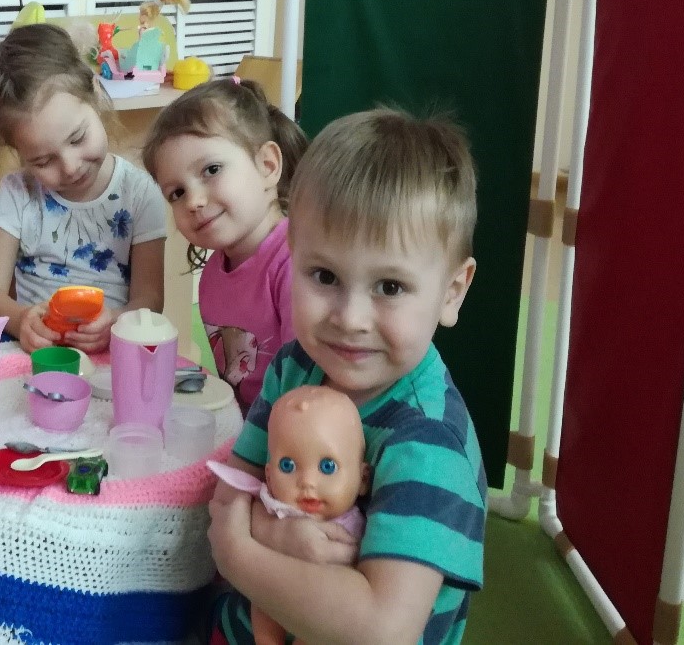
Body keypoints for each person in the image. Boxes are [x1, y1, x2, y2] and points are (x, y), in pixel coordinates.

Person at [207, 108, 486, 645]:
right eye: (325, 276)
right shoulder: (295, 367)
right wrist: (276, 535)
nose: (350, 318)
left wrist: (239, 552)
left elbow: (382, 629)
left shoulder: (428, 443)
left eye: (390, 287)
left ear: (452, 292)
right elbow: (228, 494)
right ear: (291, 258)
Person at [0, 23, 167, 353]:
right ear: (18, 152)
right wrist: (21, 320)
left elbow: (150, 298)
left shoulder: (139, 193)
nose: (70, 167)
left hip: (112, 353)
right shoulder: (18, 193)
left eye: (77, 138)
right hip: (35, 354)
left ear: (94, 92)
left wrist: (116, 322)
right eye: (42, 160)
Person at [143, 77, 307, 412]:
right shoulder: (212, 275)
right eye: (177, 193)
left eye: (211, 170)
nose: (193, 201)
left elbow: (306, 391)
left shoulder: (296, 263)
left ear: (267, 166)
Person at [211, 385, 369, 644]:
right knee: (264, 593)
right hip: (254, 613)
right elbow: (230, 510)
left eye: (327, 466)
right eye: (288, 466)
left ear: (363, 479)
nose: (307, 482)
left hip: (322, 617)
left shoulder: (354, 530)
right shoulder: (274, 508)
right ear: (269, 475)